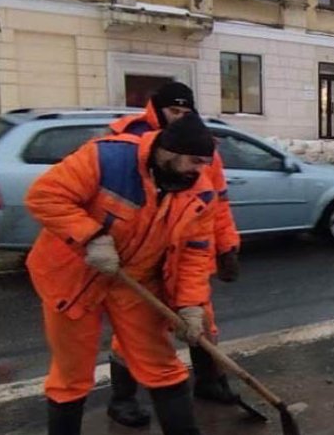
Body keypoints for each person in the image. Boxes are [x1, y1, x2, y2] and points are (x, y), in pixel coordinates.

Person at [26, 113, 218, 435]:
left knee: (163, 367)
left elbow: (195, 254)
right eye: (195, 161)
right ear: (168, 152)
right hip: (75, 275)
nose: (200, 171)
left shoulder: (198, 192)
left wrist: (191, 305)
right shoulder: (106, 158)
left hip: (136, 281)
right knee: (71, 376)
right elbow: (44, 195)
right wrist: (92, 237)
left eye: (205, 163)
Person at [105, 82, 243, 428]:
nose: (180, 118)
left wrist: (227, 245)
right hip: (145, 256)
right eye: (174, 111)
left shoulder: (202, 148)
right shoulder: (136, 141)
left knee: (201, 318)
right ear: (158, 109)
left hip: (189, 249)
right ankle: (122, 399)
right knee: (136, 329)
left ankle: (208, 381)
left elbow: (218, 201)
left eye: (186, 112)